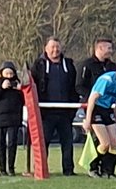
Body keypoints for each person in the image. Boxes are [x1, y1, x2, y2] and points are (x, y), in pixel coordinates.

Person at [31, 38, 80, 175]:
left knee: (67, 142)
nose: (55, 50)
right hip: (46, 112)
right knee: (44, 142)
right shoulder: (39, 65)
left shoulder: (69, 65)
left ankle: (69, 170)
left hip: (65, 112)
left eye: (57, 47)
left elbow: (73, 87)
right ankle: (41, 169)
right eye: (52, 47)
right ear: (45, 48)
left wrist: (72, 109)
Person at [81, 58, 116, 178]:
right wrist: (88, 120)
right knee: (104, 143)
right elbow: (92, 99)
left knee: (115, 142)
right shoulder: (107, 79)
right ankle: (92, 166)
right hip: (96, 109)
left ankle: (107, 171)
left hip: (107, 110)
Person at [0, 61, 24, 177]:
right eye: (6, 73)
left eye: (10, 74)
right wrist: (1, 88)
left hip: (14, 118)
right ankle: (2, 168)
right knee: (0, 143)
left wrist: (21, 90)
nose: (8, 76)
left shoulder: (18, 85)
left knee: (12, 143)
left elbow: (24, 100)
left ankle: (11, 168)